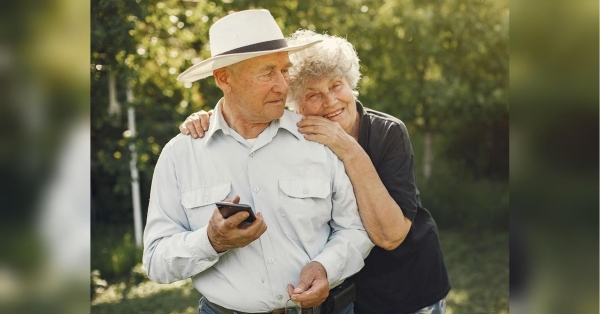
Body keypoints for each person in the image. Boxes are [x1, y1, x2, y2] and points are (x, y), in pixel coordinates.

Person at [180, 30, 451, 314]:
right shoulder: (296, 135)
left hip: (408, 289)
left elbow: (391, 236)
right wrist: (210, 120)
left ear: (351, 83)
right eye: (313, 95)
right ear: (295, 105)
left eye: (336, 86)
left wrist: (348, 149)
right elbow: (244, 118)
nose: (331, 101)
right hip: (343, 294)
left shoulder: (387, 132)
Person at [143, 10, 373, 314]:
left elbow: (355, 229)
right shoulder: (180, 156)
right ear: (224, 78)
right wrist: (211, 240)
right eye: (267, 73)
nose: (283, 86)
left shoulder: (318, 140)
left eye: (284, 71)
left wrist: (325, 267)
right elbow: (156, 261)